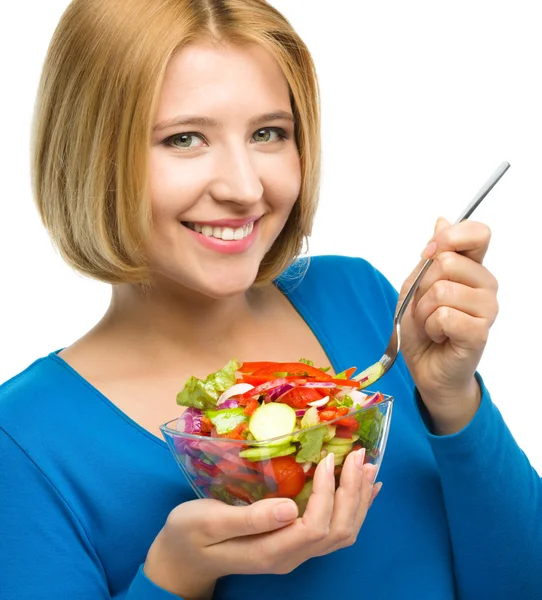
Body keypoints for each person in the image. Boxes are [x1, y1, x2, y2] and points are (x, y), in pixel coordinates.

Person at [0, 0, 540, 598]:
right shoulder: (23, 439)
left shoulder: (358, 298)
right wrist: (177, 577)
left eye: (268, 133)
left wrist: (452, 401)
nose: (246, 187)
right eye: (184, 138)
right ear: (90, 156)